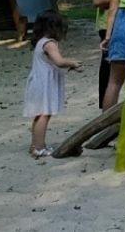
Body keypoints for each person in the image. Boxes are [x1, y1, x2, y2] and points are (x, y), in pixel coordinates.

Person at [24, 9, 82, 158]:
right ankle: (39, 148)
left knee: (40, 114)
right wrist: (73, 63)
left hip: (39, 83)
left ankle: (35, 145)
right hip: (45, 85)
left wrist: (68, 67)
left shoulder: (41, 42)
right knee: (44, 114)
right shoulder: (49, 44)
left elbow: (50, 64)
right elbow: (59, 61)